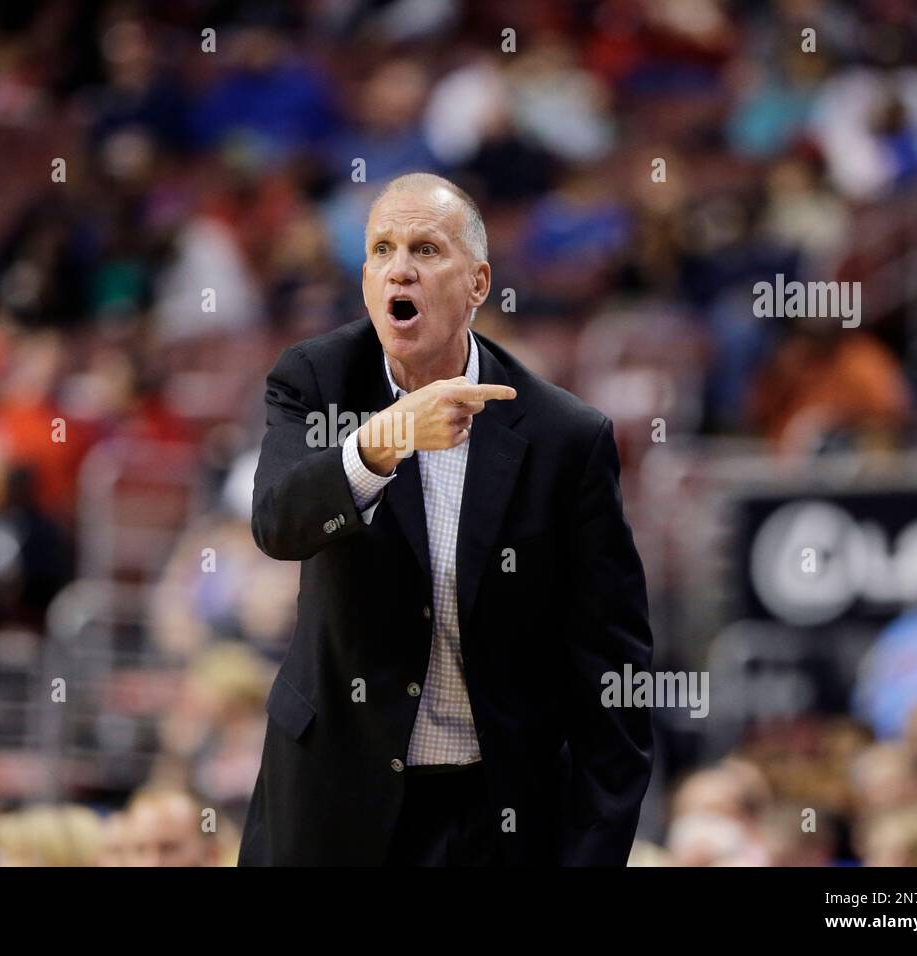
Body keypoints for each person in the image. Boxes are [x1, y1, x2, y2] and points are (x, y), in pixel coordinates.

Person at [239, 173, 653, 866]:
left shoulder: (564, 438)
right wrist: (381, 440)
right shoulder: (315, 379)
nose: (399, 268)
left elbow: (613, 671)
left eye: (426, 250)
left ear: (479, 283)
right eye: (381, 250)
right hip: (332, 802)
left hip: (493, 817)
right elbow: (279, 523)